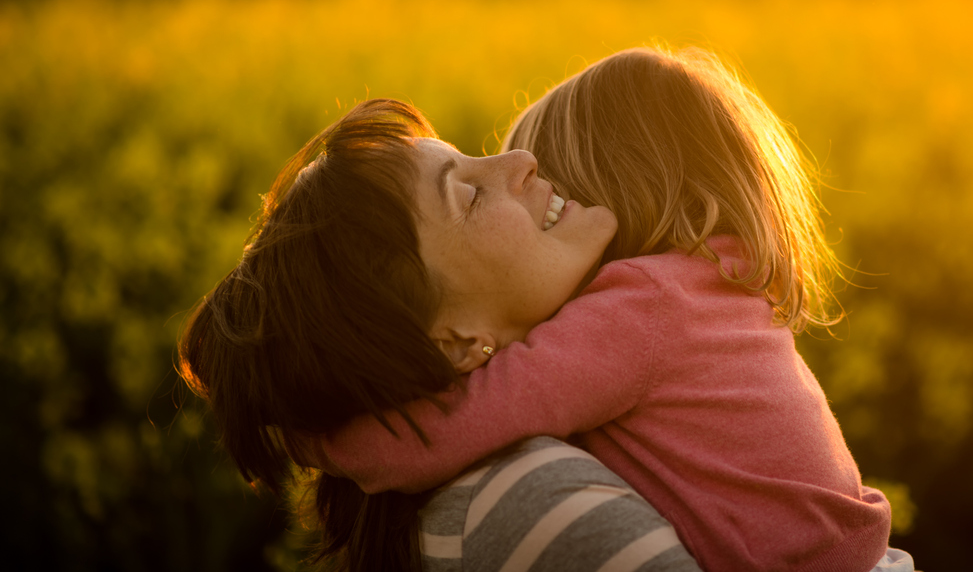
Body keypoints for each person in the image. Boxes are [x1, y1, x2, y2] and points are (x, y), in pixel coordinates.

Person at [307, 47, 910, 572]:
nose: (527, 180)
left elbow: (484, 410)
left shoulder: (642, 305)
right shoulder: (718, 287)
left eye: (553, 188)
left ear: (605, 187)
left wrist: (331, 447)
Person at [178, 98, 701, 571]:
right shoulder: (539, 502)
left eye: (473, 156)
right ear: (454, 343)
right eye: (469, 197)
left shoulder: (446, 500)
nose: (522, 160)